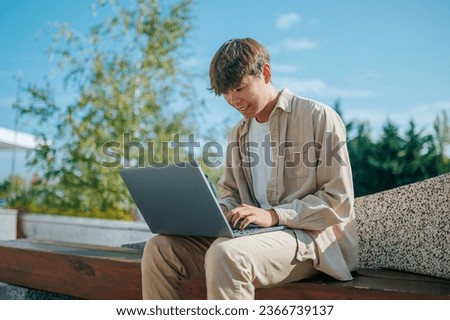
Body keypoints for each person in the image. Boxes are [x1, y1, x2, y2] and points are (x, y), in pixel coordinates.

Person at [141, 38, 359, 300]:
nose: (234, 100)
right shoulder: (239, 133)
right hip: (254, 238)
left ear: (265, 73)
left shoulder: (318, 117)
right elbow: (231, 192)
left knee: (227, 254)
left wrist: (274, 215)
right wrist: (219, 210)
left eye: (240, 88)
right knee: (159, 249)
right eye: (225, 93)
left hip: (312, 241)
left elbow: (338, 201)